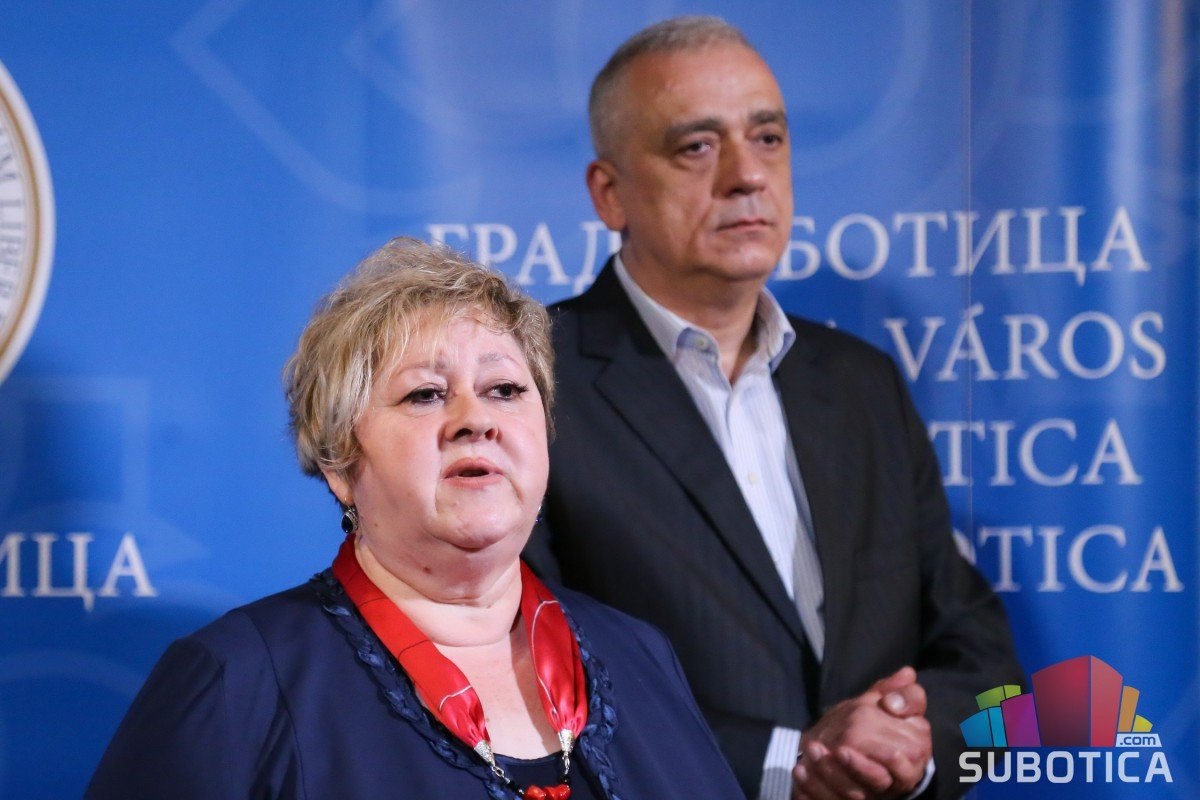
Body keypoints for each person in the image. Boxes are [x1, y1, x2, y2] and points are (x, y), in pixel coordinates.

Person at [523, 16, 1022, 800]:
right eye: (697, 146)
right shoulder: (529, 386)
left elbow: (990, 670)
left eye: (767, 138)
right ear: (609, 193)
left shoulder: (862, 384)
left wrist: (911, 752)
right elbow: (523, 676)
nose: (746, 175)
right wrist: (792, 763)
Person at [86, 238, 744, 799]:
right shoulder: (236, 682)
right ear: (341, 460)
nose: (475, 420)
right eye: (426, 394)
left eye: (505, 390)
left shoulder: (641, 655)